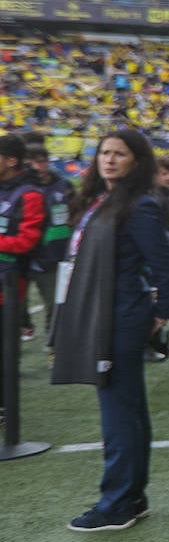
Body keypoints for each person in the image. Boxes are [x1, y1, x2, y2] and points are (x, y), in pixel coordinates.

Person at [50, 128, 169, 532]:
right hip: (102, 315)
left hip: (119, 320)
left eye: (119, 154)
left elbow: (164, 265)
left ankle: (117, 502)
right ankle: (132, 496)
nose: (108, 159)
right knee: (128, 411)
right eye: (104, 152)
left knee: (119, 414)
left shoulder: (138, 206)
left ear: (136, 162)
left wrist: (160, 313)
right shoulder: (103, 201)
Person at [0, 134, 47, 413]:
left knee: (4, 351)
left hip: (8, 286)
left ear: (11, 160)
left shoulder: (29, 194)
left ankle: (4, 408)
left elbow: (27, 241)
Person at [23, 141, 74, 340]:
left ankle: (53, 343)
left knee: (55, 304)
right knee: (15, 303)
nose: (38, 167)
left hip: (53, 257)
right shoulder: (19, 187)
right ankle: (24, 326)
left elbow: (76, 212)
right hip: (22, 257)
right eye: (32, 163)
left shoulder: (63, 184)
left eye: (42, 162)